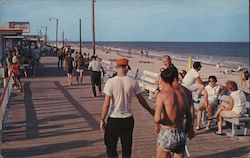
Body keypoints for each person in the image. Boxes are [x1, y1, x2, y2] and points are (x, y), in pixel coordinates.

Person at [100, 58, 154, 158]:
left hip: (114, 119)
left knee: (111, 146)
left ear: (117, 68)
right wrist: (151, 111)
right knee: (126, 148)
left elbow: (106, 104)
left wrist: (102, 119)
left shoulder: (110, 82)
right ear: (126, 68)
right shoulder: (133, 82)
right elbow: (141, 100)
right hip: (128, 119)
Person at [154, 68, 193, 158]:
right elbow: (189, 117)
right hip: (180, 132)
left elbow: (157, 118)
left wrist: (159, 123)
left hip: (167, 132)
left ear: (163, 80)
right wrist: (186, 131)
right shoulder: (182, 94)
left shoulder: (162, 95)